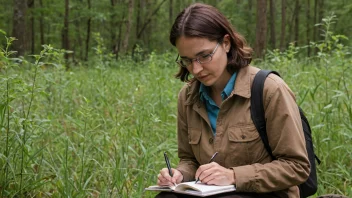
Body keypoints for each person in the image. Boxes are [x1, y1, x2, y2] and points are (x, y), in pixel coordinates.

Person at [156, 3, 310, 198]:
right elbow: (189, 160)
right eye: (187, 60)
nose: (195, 69)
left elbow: (297, 167)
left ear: (226, 43)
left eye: (204, 56)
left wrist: (233, 176)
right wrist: (178, 175)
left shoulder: (269, 89)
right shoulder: (187, 98)